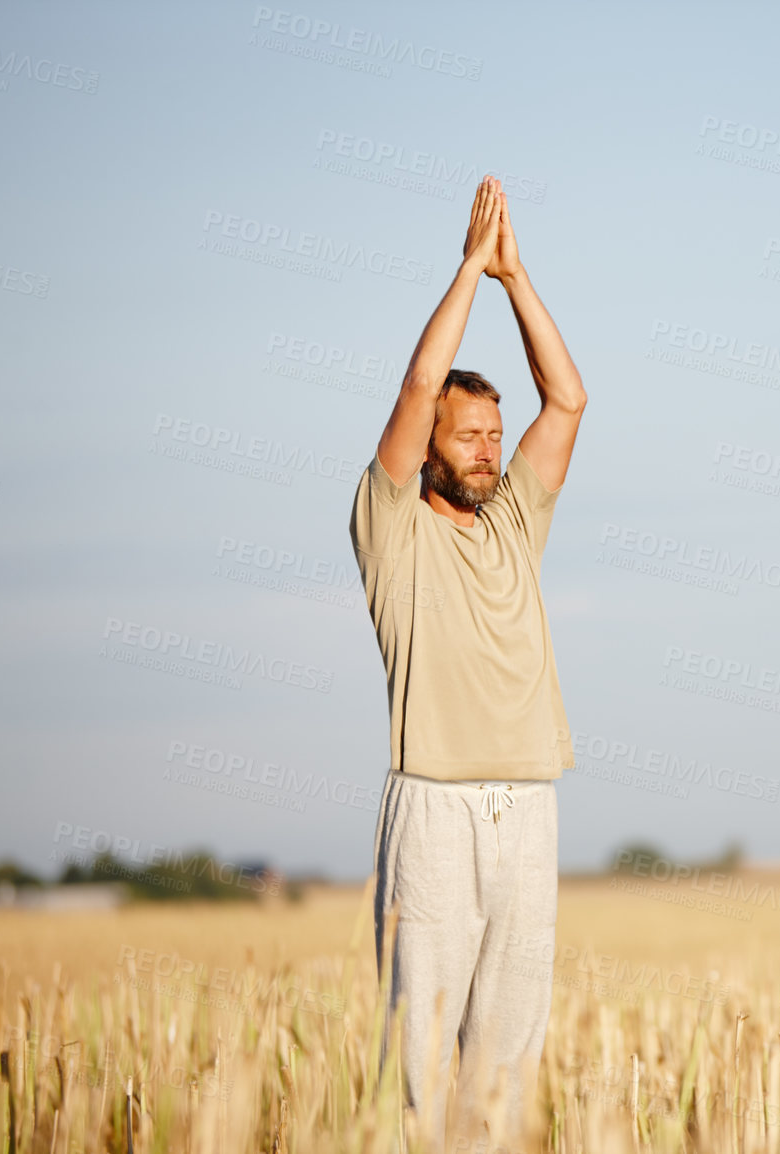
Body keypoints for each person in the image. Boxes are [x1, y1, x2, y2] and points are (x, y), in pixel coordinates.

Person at [349, 174, 586, 1144]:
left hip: (528, 800)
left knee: (507, 1054)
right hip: (434, 805)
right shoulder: (390, 527)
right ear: (430, 445)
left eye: (495, 434)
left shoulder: (516, 521)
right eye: (469, 434)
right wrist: (466, 271)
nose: (489, 450)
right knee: (420, 1051)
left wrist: (517, 277)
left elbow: (567, 397)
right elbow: (414, 386)